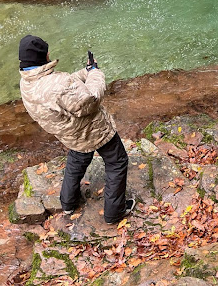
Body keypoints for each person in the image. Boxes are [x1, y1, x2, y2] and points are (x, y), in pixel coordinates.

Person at [18, 35, 134, 223]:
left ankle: (68, 203)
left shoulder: (27, 82)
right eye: (47, 53)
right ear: (42, 57)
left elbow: (64, 90)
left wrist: (85, 72)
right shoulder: (59, 84)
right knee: (117, 162)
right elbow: (90, 101)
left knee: (77, 159)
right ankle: (114, 212)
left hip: (68, 133)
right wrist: (96, 72)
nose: (49, 55)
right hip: (94, 130)